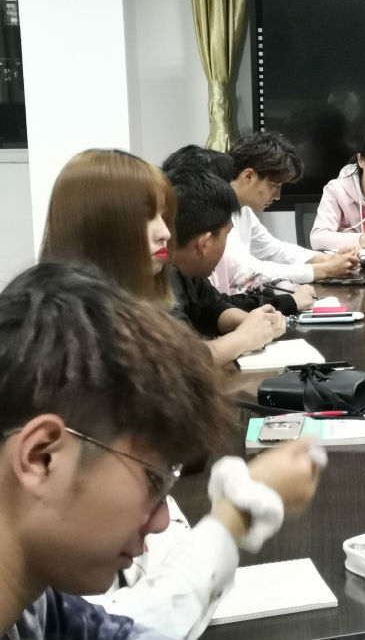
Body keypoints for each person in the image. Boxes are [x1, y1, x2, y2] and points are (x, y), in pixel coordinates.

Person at [0, 262, 322, 640]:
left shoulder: (37, 606)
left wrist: (237, 513)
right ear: (42, 458)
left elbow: (136, 631)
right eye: (152, 480)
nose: (160, 522)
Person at [41, 149, 285, 367]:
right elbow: (179, 362)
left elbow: (206, 310)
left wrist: (253, 325)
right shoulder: (64, 316)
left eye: (163, 216)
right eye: (146, 217)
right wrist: (244, 337)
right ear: (97, 224)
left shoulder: (147, 276)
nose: (165, 233)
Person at [213, 132, 359, 293]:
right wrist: (324, 270)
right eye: (274, 185)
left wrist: (327, 259)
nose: (278, 196)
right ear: (249, 176)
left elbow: (273, 249)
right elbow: (249, 271)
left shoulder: (243, 209)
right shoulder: (216, 211)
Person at [167, 164, 314, 315]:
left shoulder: (191, 275)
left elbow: (217, 304)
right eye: (274, 185)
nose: (278, 195)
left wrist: (283, 288)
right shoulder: (167, 281)